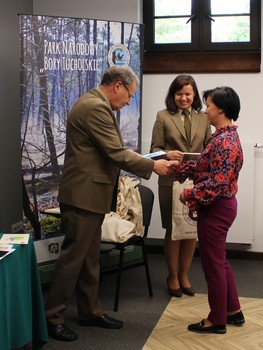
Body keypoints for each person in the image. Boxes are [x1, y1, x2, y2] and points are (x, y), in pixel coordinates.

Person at [45, 65, 179, 342]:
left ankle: (90, 311)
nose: (129, 101)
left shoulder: (95, 104)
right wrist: (154, 167)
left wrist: (154, 157)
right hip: (82, 196)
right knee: (73, 260)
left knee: (90, 259)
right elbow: (115, 152)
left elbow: (113, 150)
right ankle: (52, 318)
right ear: (117, 85)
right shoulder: (96, 107)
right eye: (130, 94)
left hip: (90, 195)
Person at [177, 86, 245, 334]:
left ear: (221, 109)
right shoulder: (222, 136)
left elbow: (217, 183)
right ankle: (233, 311)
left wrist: (189, 195)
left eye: (208, 105)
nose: (206, 110)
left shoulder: (225, 141)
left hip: (217, 209)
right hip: (219, 207)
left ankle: (217, 320)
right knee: (220, 262)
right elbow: (209, 171)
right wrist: (182, 166)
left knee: (212, 266)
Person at [150, 75, 212, 298]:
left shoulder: (204, 118)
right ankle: (172, 276)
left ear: (194, 95)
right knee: (173, 229)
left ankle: (185, 274)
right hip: (170, 180)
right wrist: (166, 153)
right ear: (172, 95)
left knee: (191, 230)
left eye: (187, 94)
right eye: (179, 94)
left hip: (197, 181)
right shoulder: (163, 116)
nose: (183, 98)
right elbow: (153, 150)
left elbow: (209, 148)